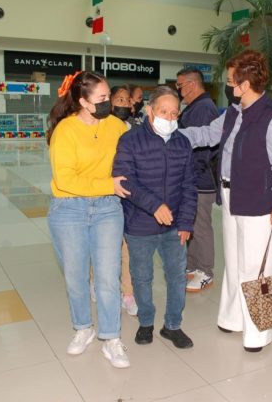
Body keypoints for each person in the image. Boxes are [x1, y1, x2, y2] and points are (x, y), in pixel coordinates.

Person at [178, 50, 272, 352]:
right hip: (231, 195)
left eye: (232, 80)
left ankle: (258, 332)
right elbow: (207, 135)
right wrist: (172, 134)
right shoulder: (233, 113)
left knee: (256, 268)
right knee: (233, 261)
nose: (229, 85)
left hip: (259, 201)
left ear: (245, 83)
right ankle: (233, 318)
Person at [46, 71, 131, 369]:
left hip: (108, 208)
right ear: (83, 102)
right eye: (103, 97)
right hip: (69, 209)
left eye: (109, 95)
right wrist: (109, 184)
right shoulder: (65, 131)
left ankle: (111, 337)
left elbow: (133, 154)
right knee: (76, 276)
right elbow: (65, 180)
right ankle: (83, 327)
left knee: (108, 276)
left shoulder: (116, 125)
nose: (110, 102)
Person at [113, 85, 197, 350]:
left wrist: (186, 222)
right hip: (139, 225)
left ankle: (172, 325)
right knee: (141, 277)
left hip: (175, 226)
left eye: (174, 113)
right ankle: (146, 322)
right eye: (164, 112)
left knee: (176, 276)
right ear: (150, 111)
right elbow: (125, 181)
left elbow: (189, 185)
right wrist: (154, 206)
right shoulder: (130, 140)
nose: (170, 118)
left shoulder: (182, 142)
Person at [176, 67, 219, 292]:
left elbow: (204, 149)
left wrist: (190, 175)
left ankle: (205, 271)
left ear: (192, 84)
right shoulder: (194, 107)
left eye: (180, 85)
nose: (179, 90)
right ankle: (192, 266)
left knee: (200, 226)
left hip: (200, 180)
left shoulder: (204, 108)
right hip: (192, 178)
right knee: (190, 223)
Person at [108, 84, 139, 316]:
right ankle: (98, 283)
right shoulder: (101, 128)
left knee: (128, 248)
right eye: (119, 99)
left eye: (127, 100)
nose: (124, 104)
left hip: (129, 198)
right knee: (106, 247)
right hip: (106, 196)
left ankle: (128, 293)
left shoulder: (136, 129)